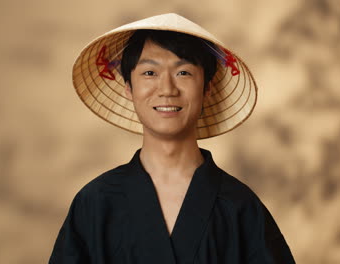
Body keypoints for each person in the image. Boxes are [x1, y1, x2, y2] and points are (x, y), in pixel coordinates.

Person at [49, 13, 295, 263]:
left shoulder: (240, 206)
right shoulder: (95, 202)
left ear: (207, 88)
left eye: (184, 72)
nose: (167, 89)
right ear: (128, 88)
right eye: (149, 73)